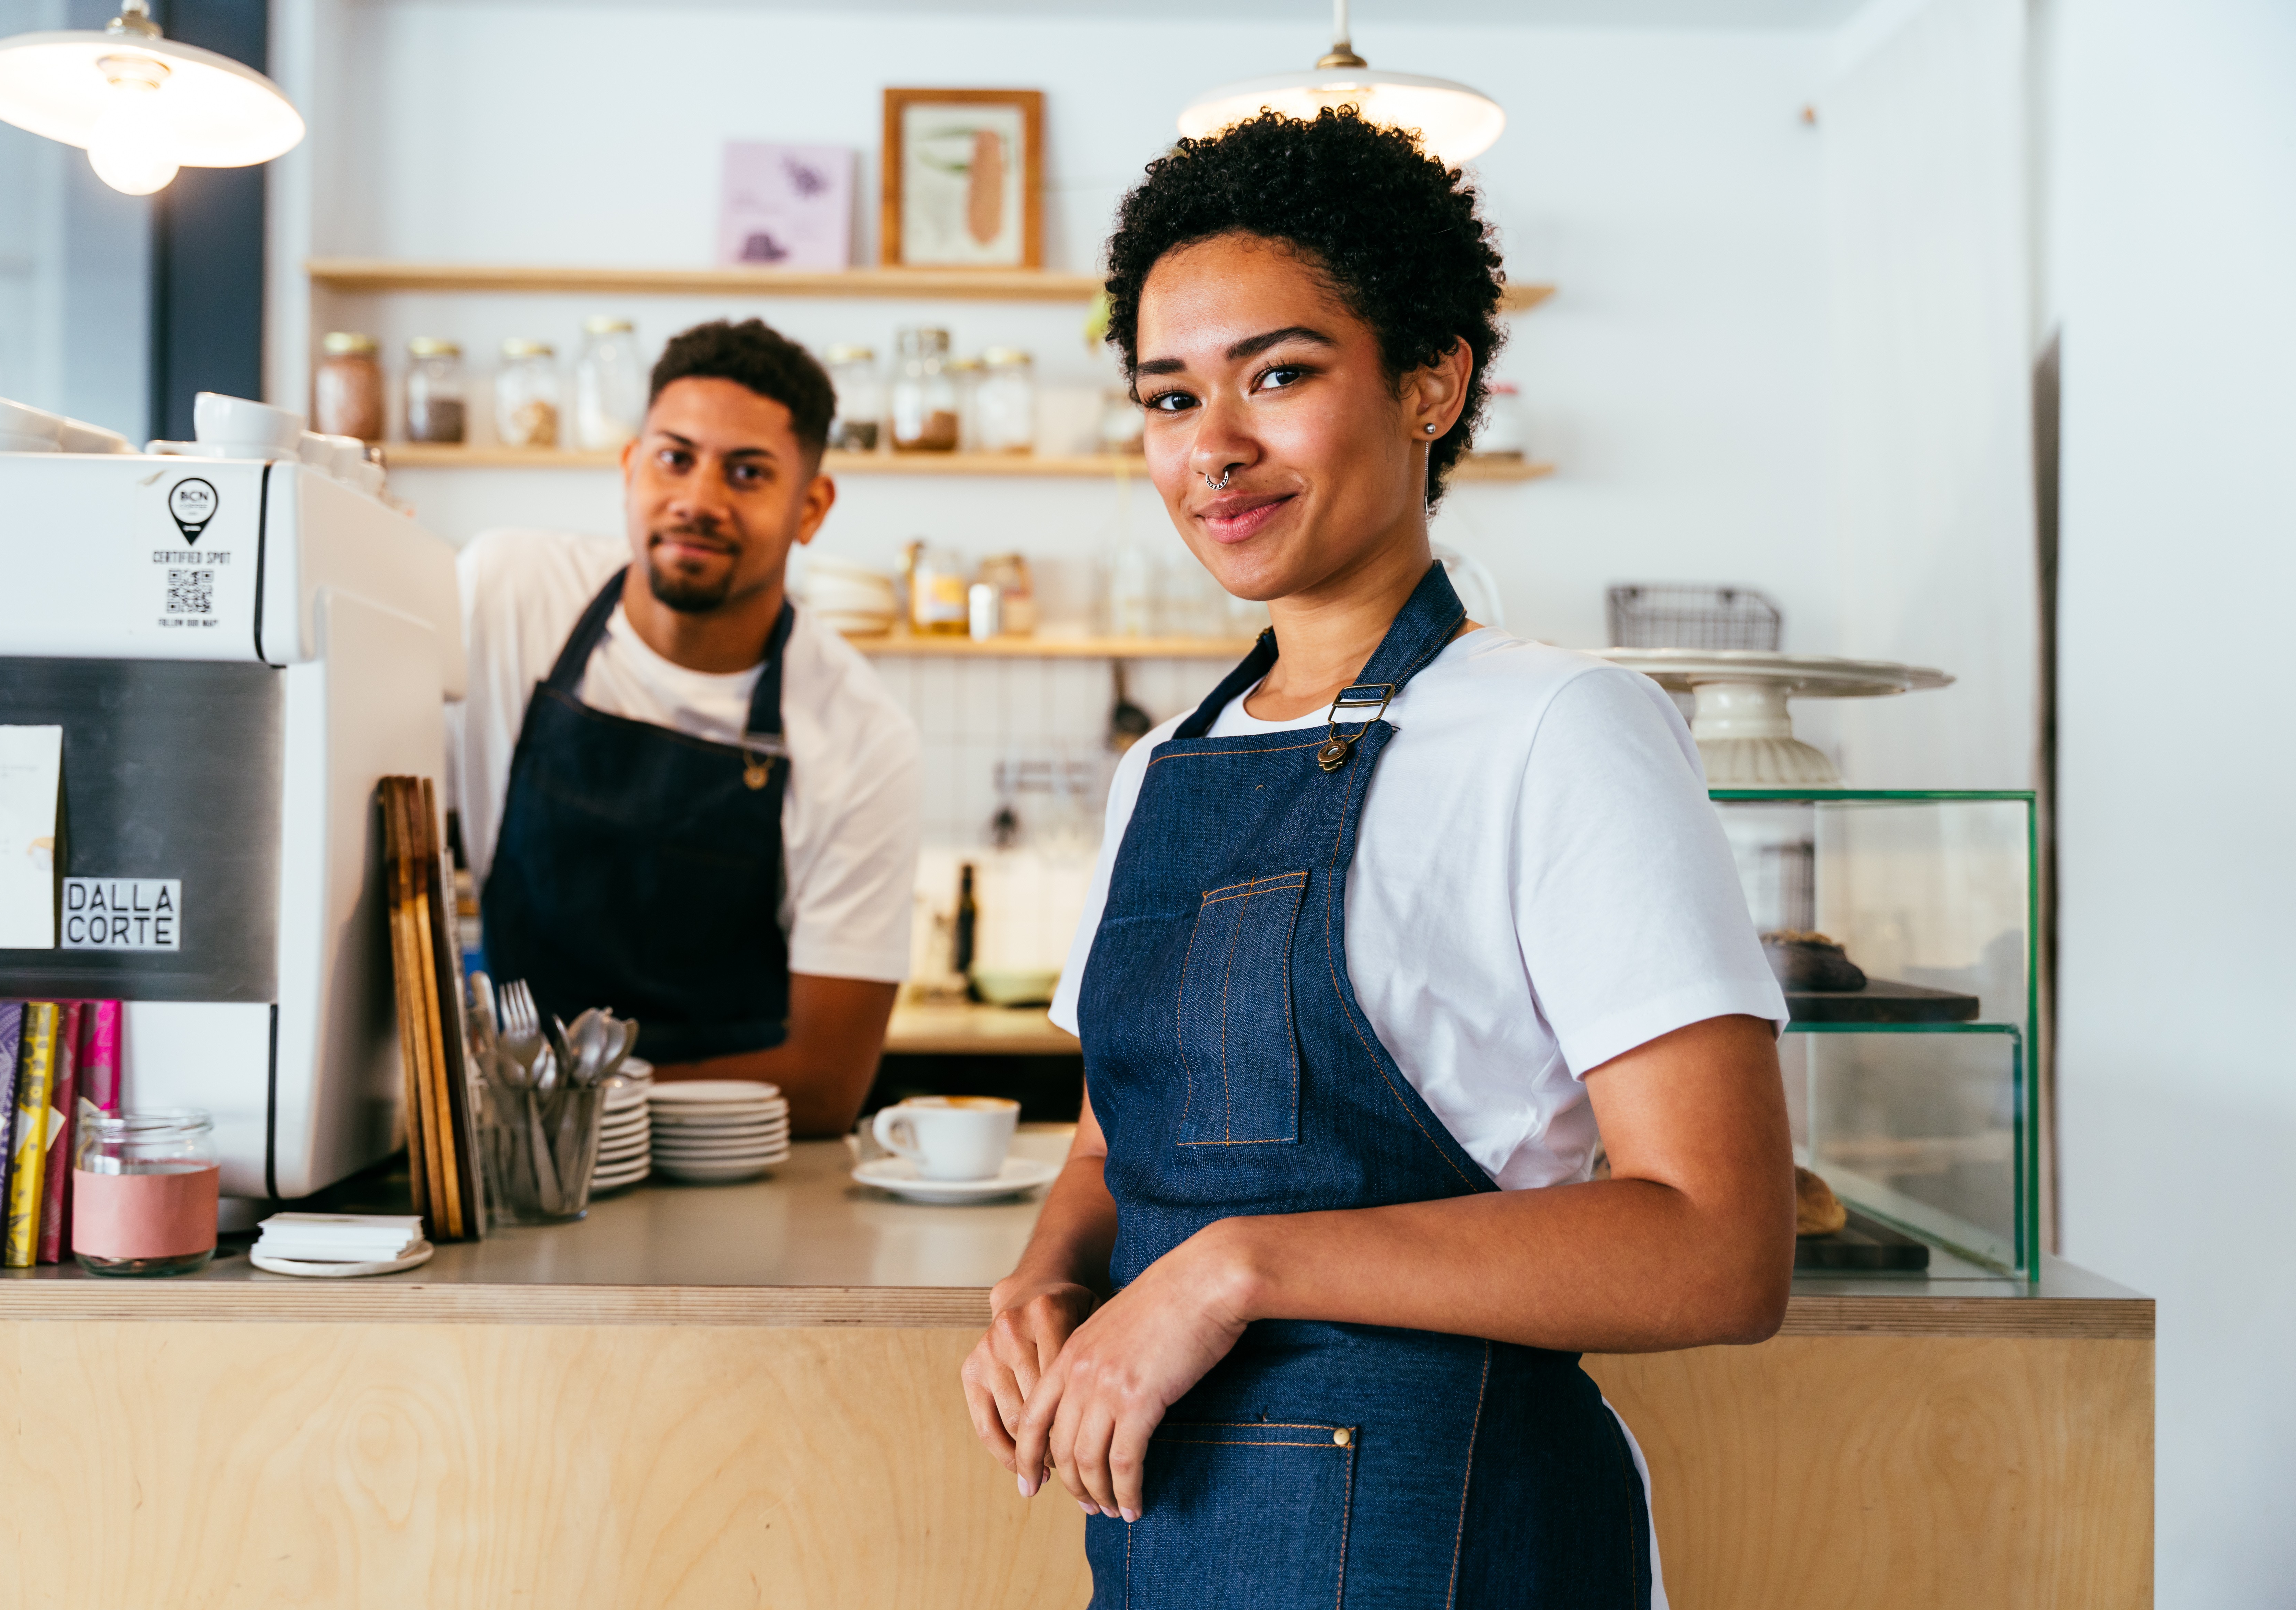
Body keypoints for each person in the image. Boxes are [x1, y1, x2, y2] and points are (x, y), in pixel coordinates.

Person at [959, 111, 1794, 1607]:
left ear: (1431, 383)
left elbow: (1719, 1247)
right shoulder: (1162, 768)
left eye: (1278, 375)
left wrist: (1238, 1270)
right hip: (1171, 1543)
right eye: (1167, 396)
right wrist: (1044, 1280)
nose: (1212, 447)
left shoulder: (1564, 733)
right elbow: (1108, 1149)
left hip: (1453, 1538)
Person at [448, 319, 920, 1135]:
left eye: (747, 473)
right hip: (505, 1157)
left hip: (727, 1165)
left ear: (811, 508)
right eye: (674, 458)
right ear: (631, 468)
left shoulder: (863, 737)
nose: (699, 500)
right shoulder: (505, 594)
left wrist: (549, 1104)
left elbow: (823, 1084)